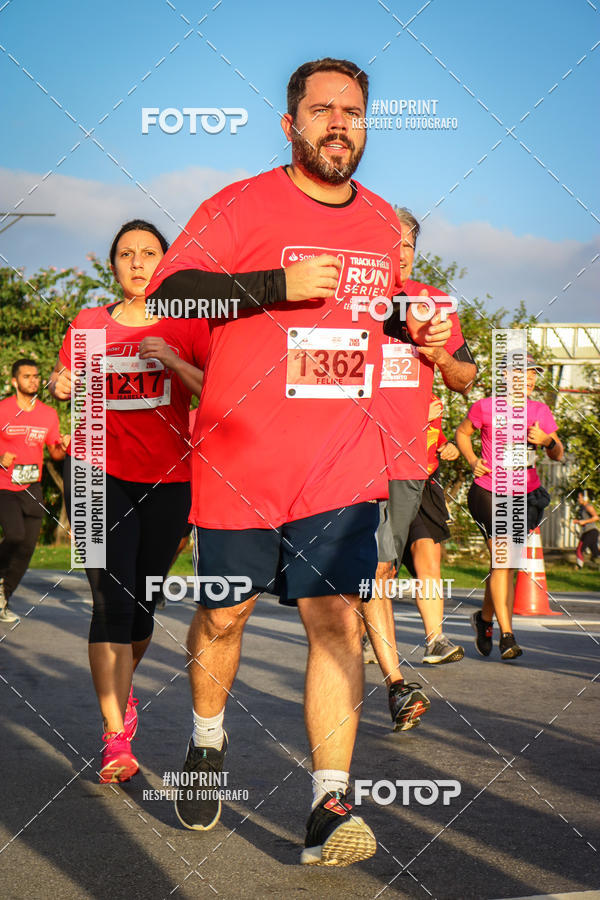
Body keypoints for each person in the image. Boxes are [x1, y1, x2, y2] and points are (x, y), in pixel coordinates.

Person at [147, 59, 452, 865]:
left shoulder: (384, 222)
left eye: (353, 111)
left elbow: (368, 317)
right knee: (224, 615)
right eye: (323, 111)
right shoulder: (242, 203)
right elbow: (173, 295)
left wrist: (409, 330)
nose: (339, 123)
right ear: (291, 125)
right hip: (242, 459)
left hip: (339, 461)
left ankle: (328, 804)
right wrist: (270, 284)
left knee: (336, 619)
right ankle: (208, 744)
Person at [49, 220, 210, 784]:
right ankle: (114, 736)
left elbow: (211, 393)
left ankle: (125, 689)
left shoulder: (187, 326)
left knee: (141, 609)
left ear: (164, 263)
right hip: (97, 476)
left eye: (148, 253)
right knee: (108, 604)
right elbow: (65, 376)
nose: (137, 263)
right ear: (113, 266)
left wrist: (168, 358)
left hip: (168, 481)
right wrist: (60, 383)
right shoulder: (90, 324)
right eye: (125, 254)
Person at [362, 207, 476, 715]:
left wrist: (441, 359)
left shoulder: (432, 303)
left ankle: (389, 668)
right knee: (368, 569)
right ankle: (394, 679)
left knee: (383, 567)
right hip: (344, 452)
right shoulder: (351, 301)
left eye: (408, 244)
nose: (400, 252)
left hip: (407, 460)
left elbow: (464, 376)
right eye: (390, 242)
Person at [455, 353, 564, 660]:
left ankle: (484, 620)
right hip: (489, 491)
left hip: (525, 495)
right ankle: (507, 636)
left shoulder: (540, 410)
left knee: (505, 565)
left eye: (532, 375)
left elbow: (558, 453)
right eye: (522, 374)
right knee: (504, 560)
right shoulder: (485, 407)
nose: (529, 379)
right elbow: (462, 433)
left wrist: (546, 441)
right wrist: (473, 460)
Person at [0, 359, 67, 624]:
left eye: (37, 376)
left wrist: (64, 445)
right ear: (15, 381)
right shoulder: (3, 410)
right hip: (4, 486)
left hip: (32, 487)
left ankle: (4, 597)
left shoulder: (48, 414)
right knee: (14, 535)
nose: (34, 380)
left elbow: (55, 453)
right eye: (27, 376)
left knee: (27, 548)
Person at [400, 395, 464, 664]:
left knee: (429, 560)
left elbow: (433, 439)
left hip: (425, 487)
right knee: (381, 569)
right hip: (391, 484)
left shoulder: (433, 398)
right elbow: (375, 435)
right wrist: (416, 420)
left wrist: (448, 447)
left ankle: (435, 639)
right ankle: (366, 636)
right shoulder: (390, 388)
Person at [573, 490, 599, 568]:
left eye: (579, 497)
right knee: (595, 552)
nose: (578, 499)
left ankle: (578, 566)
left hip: (591, 531)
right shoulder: (582, 508)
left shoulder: (588, 507)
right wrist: (578, 521)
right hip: (586, 532)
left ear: (584, 498)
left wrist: (584, 521)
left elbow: (596, 517)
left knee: (580, 549)